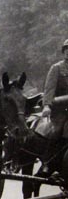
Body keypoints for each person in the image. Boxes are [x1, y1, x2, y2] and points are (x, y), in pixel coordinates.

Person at [39, 39, 68, 173]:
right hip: (60, 109)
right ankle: (47, 162)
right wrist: (47, 106)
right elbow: (49, 89)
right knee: (57, 130)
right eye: (66, 49)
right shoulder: (57, 68)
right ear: (64, 52)